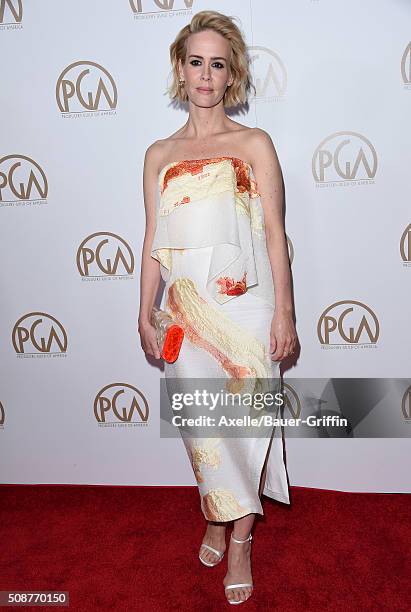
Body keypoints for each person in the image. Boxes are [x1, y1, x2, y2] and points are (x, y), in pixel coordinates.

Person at [138, 10, 299, 606]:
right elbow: (153, 239)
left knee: (248, 422)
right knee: (202, 424)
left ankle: (238, 539)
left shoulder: (254, 143)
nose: (206, 75)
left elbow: (276, 234)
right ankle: (216, 509)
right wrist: (142, 313)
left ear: (230, 77)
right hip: (184, 309)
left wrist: (284, 312)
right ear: (181, 71)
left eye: (218, 64)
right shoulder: (158, 154)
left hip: (248, 307)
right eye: (195, 62)